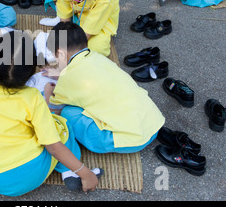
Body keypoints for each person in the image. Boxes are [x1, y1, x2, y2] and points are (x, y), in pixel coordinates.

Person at [0, 31, 100, 196]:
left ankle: (67, 170)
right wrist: (86, 173)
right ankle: (69, 171)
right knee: (61, 124)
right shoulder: (33, 97)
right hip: (33, 173)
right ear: (30, 72)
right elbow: (53, 146)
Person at [43, 22, 165, 154]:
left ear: (61, 54)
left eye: (54, 57)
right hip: (153, 124)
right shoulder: (99, 58)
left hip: (131, 140)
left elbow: (54, 111)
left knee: (68, 113)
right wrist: (60, 75)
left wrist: (48, 94)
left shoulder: (67, 78)